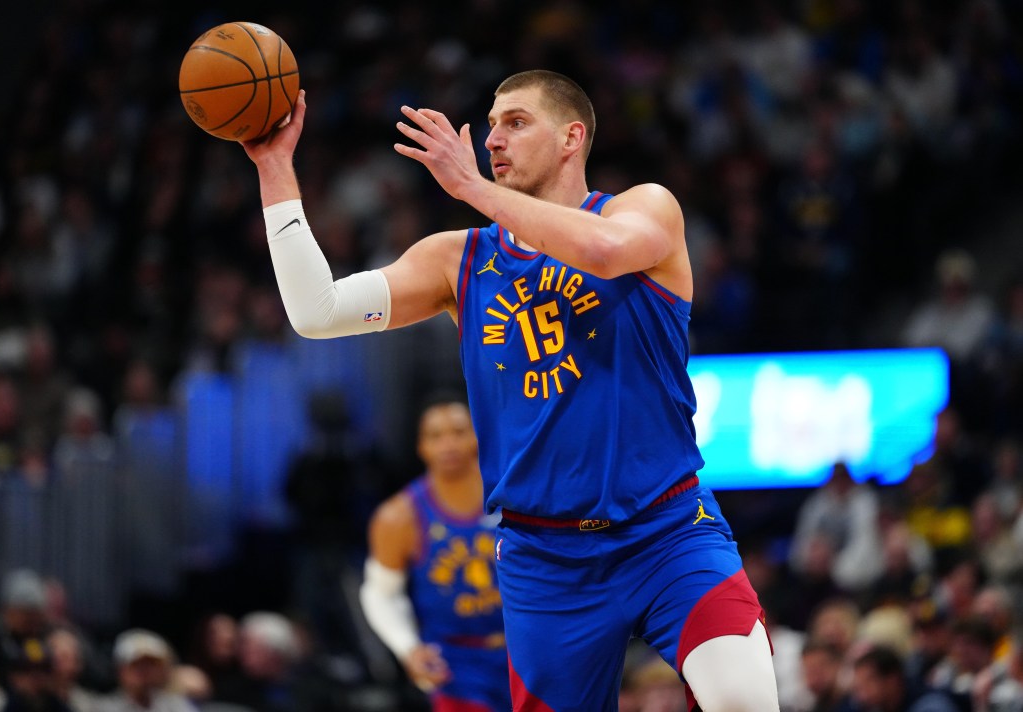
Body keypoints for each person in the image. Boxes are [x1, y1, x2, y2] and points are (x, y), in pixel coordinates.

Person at [243, 69, 778, 710]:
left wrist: (468, 187)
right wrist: (275, 167)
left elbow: (605, 253)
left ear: (571, 137)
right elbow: (317, 312)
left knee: (745, 699)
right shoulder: (458, 259)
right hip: (544, 558)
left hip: (666, 529)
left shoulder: (642, 208)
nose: (493, 138)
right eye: (491, 124)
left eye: (515, 122)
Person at [359, 398, 509, 712]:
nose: (448, 444)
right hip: (457, 664)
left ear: (478, 437)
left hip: (525, 652)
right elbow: (379, 594)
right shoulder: (398, 517)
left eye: (458, 432)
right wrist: (408, 648)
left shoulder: (512, 496)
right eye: (435, 436)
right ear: (421, 447)